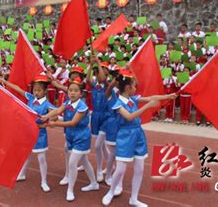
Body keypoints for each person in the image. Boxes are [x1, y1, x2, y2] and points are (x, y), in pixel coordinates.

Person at [102, 73, 176, 207]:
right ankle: (111, 191)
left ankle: (134, 198)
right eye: (134, 86)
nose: (136, 88)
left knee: (140, 169)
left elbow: (151, 98)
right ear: (128, 88)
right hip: (125, 136)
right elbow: (129, 117)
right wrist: (148, 107)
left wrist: (167, 96)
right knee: (120, 170)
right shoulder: (118, 103)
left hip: (138, 135)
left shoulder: (133, 99)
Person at [41, 78, 99, 202]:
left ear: (81, 93)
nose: (72, 93)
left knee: (72, 163)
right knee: (84, 161)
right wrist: (46, 116)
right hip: (71, 136)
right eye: (70, 90)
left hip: (81, 137)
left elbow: (73, 123)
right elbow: (57, 110)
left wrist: (53, 124)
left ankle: (70, 190)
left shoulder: (82, 106)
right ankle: (94, 183)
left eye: (75, 91)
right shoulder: (67, 103)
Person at [1, 75, 56, 192]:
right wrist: (4, 82)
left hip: (40, 134)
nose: (36, 92)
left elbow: (55, 114)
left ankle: (44, 181)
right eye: (35, 90)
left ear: (45, 91)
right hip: (28, 132)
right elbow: (18, 89)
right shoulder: (31, 98)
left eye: (39, 90)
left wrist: (48, 121)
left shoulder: (47, 104)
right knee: (26, 155)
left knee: (41, 158)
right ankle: (22, 174)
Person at [86, 56, 109, 182]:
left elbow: (103, 79)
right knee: (103, 145)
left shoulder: (108, 84)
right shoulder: (95, 85)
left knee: (98, 145)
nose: (100, 71)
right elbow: (87, 79)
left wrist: (99, 64)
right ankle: (111, 165)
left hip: (105, 116)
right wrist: (90, 65)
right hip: (95, 115)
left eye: (104, 69)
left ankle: (99, 169)